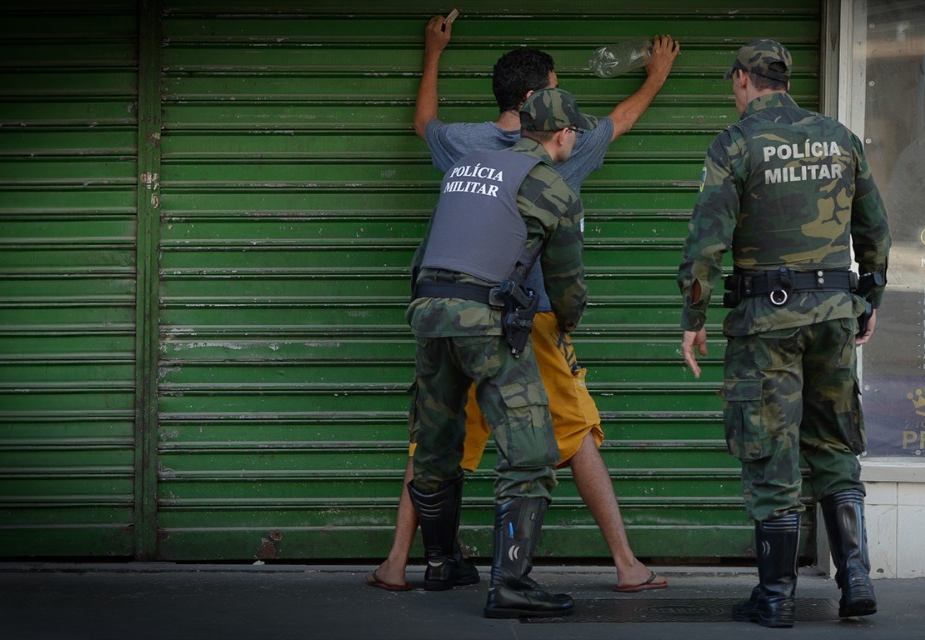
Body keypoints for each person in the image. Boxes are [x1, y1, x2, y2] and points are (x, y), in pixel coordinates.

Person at [366, 14, 680, 594]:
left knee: (434, 436)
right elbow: (618, 124)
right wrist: (656, 79)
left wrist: (434, 50)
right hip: (522, 318)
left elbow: (423, 122)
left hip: (444, 313)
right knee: (567, 433)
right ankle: (619, 565)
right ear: (541, 105)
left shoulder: (463, 147)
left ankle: (398, 562)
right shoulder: (563, 156)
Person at [675, 40, 891, 628]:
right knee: (833, 445)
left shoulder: (736, 143)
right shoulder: (841, 137)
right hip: (833, 317)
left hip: (766, 323)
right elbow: (875, 229)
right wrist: (868, 300)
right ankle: (857, 581)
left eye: (734, 81)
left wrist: (693, 319)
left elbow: (706, 242)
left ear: (744, 79)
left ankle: (776, 597)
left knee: (772, 452)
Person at [406, 87, 595, 619]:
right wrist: (567, 322)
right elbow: (566, 283)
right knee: (531, 449)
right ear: (564, 134)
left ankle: (442, 564)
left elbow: (428, 248)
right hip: (484, 319)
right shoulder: (552, 188)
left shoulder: (466, 166)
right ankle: (511, 584)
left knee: (437, 443)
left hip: (429, 311)